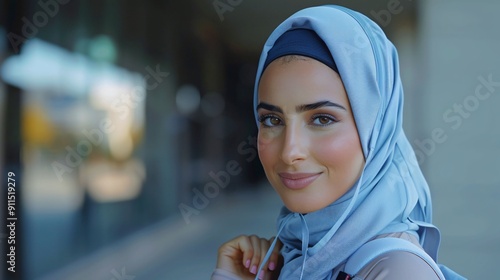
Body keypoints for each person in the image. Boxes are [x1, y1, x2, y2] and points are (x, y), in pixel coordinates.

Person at [211, 5, 466, 280]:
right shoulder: (295, 254)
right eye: (272, 120)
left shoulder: (395, 271)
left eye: (322, 119)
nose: (290, 152)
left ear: (376, 128)